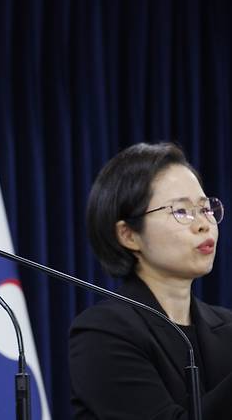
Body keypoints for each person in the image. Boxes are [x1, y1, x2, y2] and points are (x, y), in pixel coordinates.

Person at [69, 142, 232, 419]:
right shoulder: (101, 333)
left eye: (205, 208)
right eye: (181, 211)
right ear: (128, 235)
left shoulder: (228, 326)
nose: (204, 224)